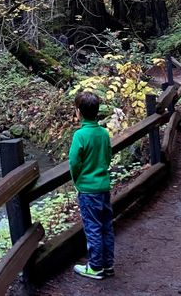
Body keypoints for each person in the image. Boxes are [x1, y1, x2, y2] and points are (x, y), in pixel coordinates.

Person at [69, 91, 115, 280]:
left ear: (78, 112)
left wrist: (77, 182)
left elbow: (74, 163)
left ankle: (95, 267)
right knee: (106, 226)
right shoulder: (103, 133)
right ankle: (108, 264)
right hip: (103, 187)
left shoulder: (80, 135)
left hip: (88, 190)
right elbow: (108, 156)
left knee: (93, 228)